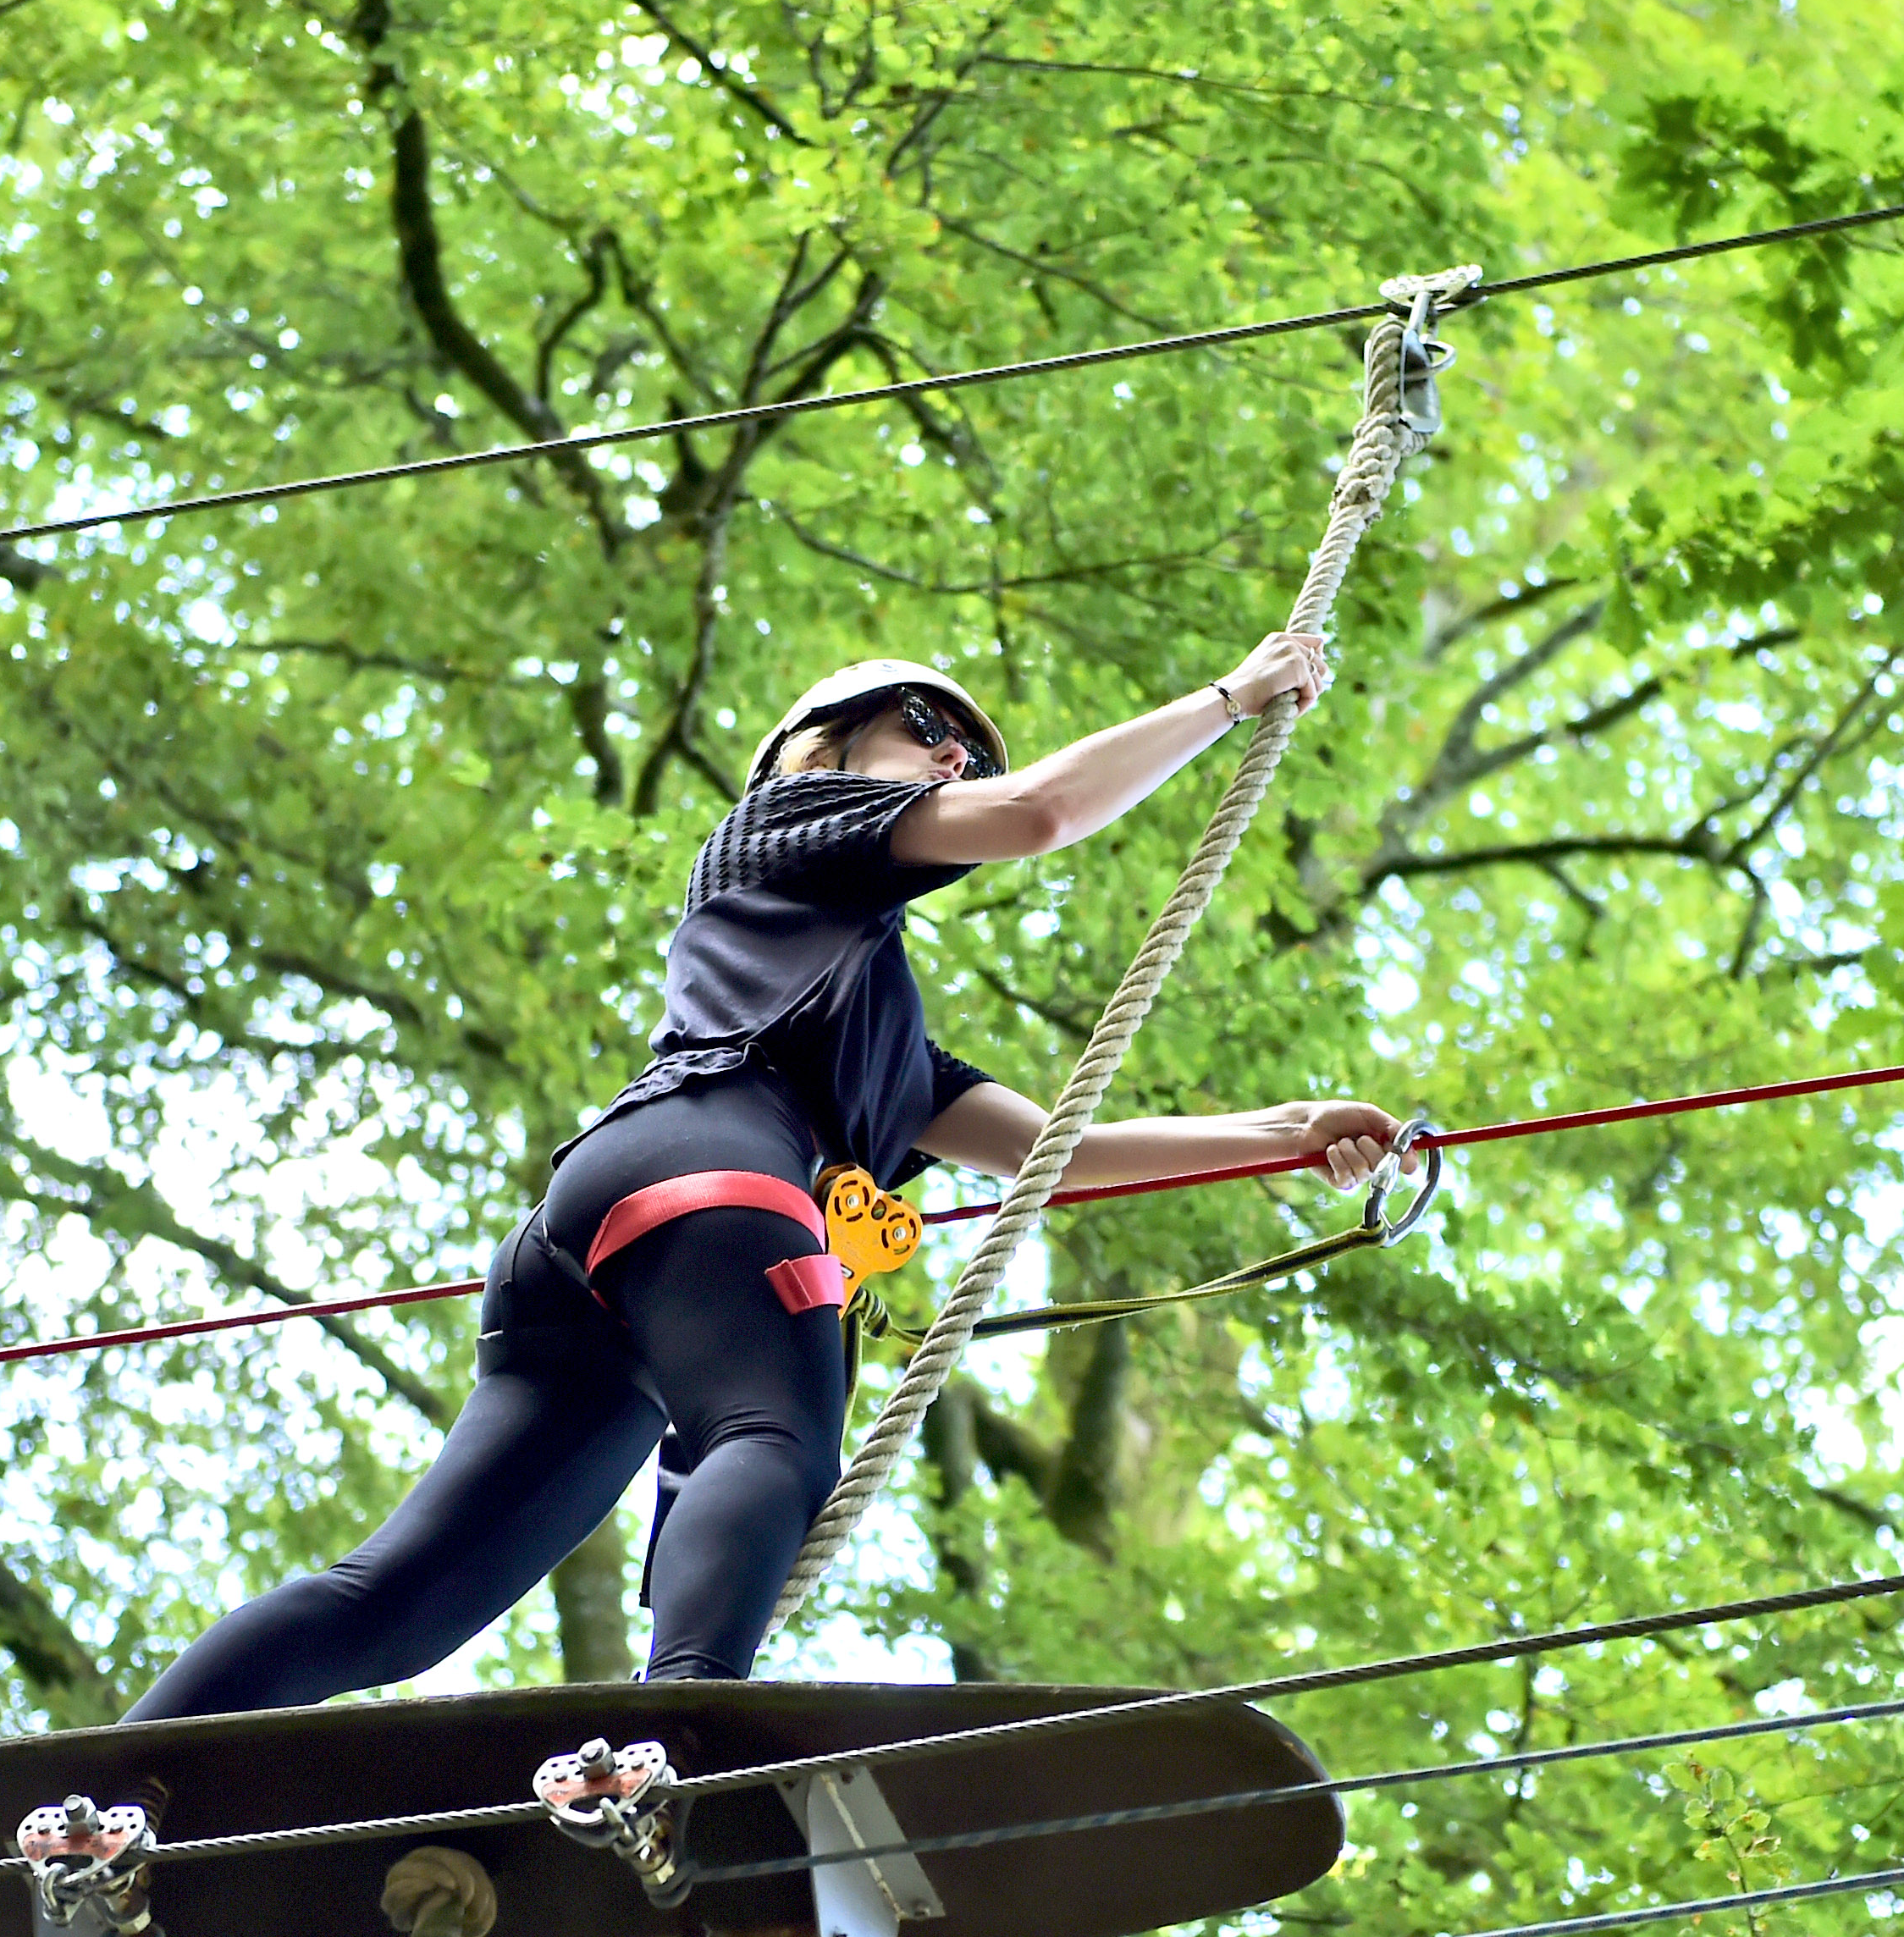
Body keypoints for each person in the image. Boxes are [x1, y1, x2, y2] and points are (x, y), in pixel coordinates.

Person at [128, 633, 1404, 1718]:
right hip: (702, 1175)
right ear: (817, 748)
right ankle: (674, 1743)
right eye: (926, 729)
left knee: (394, 1607)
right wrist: (1229, 697)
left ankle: (109, 1796)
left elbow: (1053, 1155)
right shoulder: (779, 829)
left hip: (617, 1248)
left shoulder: (876, 1025)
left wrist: (1291, 1133)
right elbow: (1044, 815)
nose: (958, 759)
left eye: (970, 750)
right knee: (778, 1440)